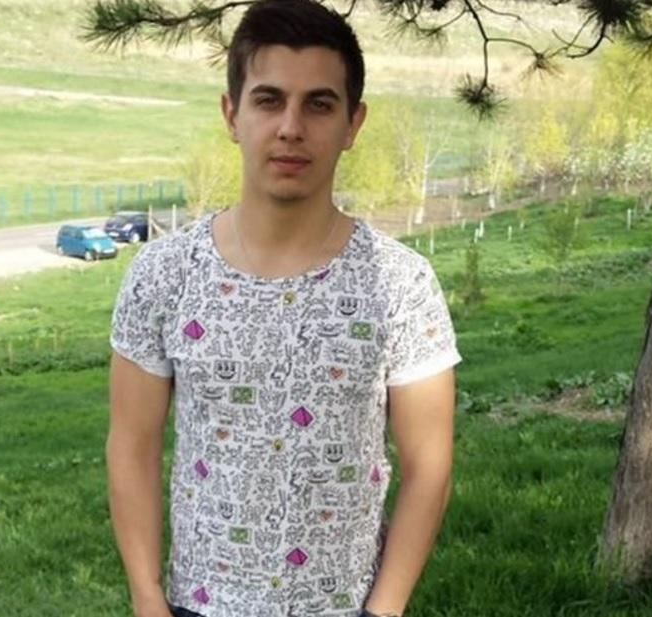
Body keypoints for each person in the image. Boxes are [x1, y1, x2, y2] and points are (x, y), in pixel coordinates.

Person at [107, 1, 461, 615]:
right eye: (269, 100)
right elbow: (132, 445)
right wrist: (146, 596)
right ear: (232, 114)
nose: (291, 127)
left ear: (352, 123)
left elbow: (429, 465)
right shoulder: (163, 275)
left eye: (319, 105)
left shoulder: (402, 284)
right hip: (199, 604)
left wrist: (384, 609)